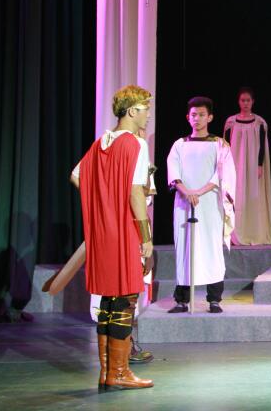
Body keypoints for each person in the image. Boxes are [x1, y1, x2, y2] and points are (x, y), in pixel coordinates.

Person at [70, 84, 154, 391]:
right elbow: (135, 192)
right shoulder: (135, 144)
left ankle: (108, 372)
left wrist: (102, 202)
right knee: (126, 298)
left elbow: (76, 175)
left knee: (109, 298)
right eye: (145, 110)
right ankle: (119, 372)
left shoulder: (100, 143)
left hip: (102, 232)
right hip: (124, 229)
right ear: (132, 111)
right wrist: (146, 238)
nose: (148, 116)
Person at [166, 97, 236, 313]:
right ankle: (182, 299)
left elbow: (223, 174)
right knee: (185, 247)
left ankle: (214, 299)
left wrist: (199, 192)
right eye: (194, 115)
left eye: (202, 115)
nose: (197, 119)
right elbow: (173, 172)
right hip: (184, 203)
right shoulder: (179, 144)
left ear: (210, 117)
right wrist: (187, 192)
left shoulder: (219, 144)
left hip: (209, 204)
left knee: (211, 246)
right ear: (188, 117)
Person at [224, 87, 271, 245]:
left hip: (253, 165)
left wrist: (259, 165)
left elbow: (262, 147)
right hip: (235, 163)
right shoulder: (231, 122)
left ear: (252, 102)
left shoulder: (259, 122)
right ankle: (234, 233)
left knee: (253, 197)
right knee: (236, 195)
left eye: (248, 100)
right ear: (239, 102)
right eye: (242, 100)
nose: (245, 103)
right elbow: (225, 145)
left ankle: (254, 232)